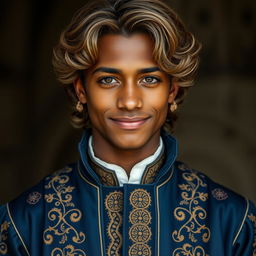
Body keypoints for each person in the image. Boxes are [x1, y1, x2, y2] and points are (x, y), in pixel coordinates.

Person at [0, 0, 255, 255]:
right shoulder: (23, 225)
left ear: (172, 90)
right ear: (81, 91)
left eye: (149, 79)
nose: (130, 101)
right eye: (108, 80)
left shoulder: (234, 223)